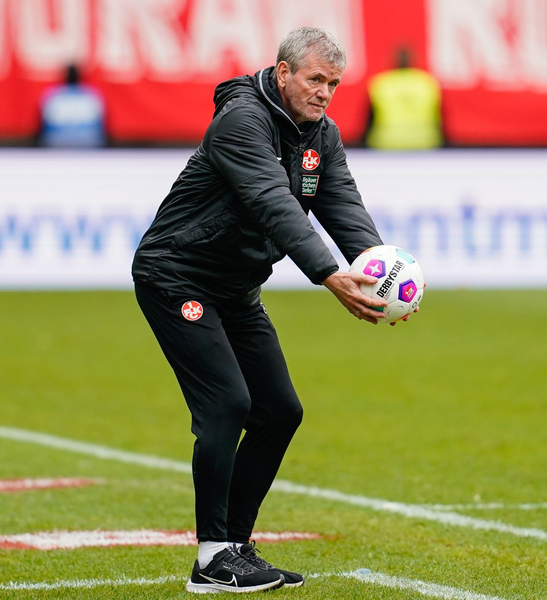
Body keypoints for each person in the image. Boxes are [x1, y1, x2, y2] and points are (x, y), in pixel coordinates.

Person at [132, 27, 416, 594]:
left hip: (235, 290)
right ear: (283, 73)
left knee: (280, 411)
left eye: (333, 83)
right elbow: (272, 202)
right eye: (315, 79)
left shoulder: (322, 135)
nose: (324, 92)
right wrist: (328, 274)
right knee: (228, 403)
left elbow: (341, 204)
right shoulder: (241, 120)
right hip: (175, 275)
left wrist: (381, 272)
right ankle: (211, 558)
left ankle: (235, 547)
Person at [365, 47, 443, 150]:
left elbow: (369, 119)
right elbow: (440, 116)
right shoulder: (427, 82)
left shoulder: (381, 83)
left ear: (394, 60)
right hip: (424, 140)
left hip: (387, 141)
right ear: (413, 60)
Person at [38, 64, 106, 148]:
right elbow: (101, 126)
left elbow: (41, 126)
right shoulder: (92, 95)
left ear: (64, 76)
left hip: (58, 143)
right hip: (87, 143)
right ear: (80, 76)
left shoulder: (53, 96)